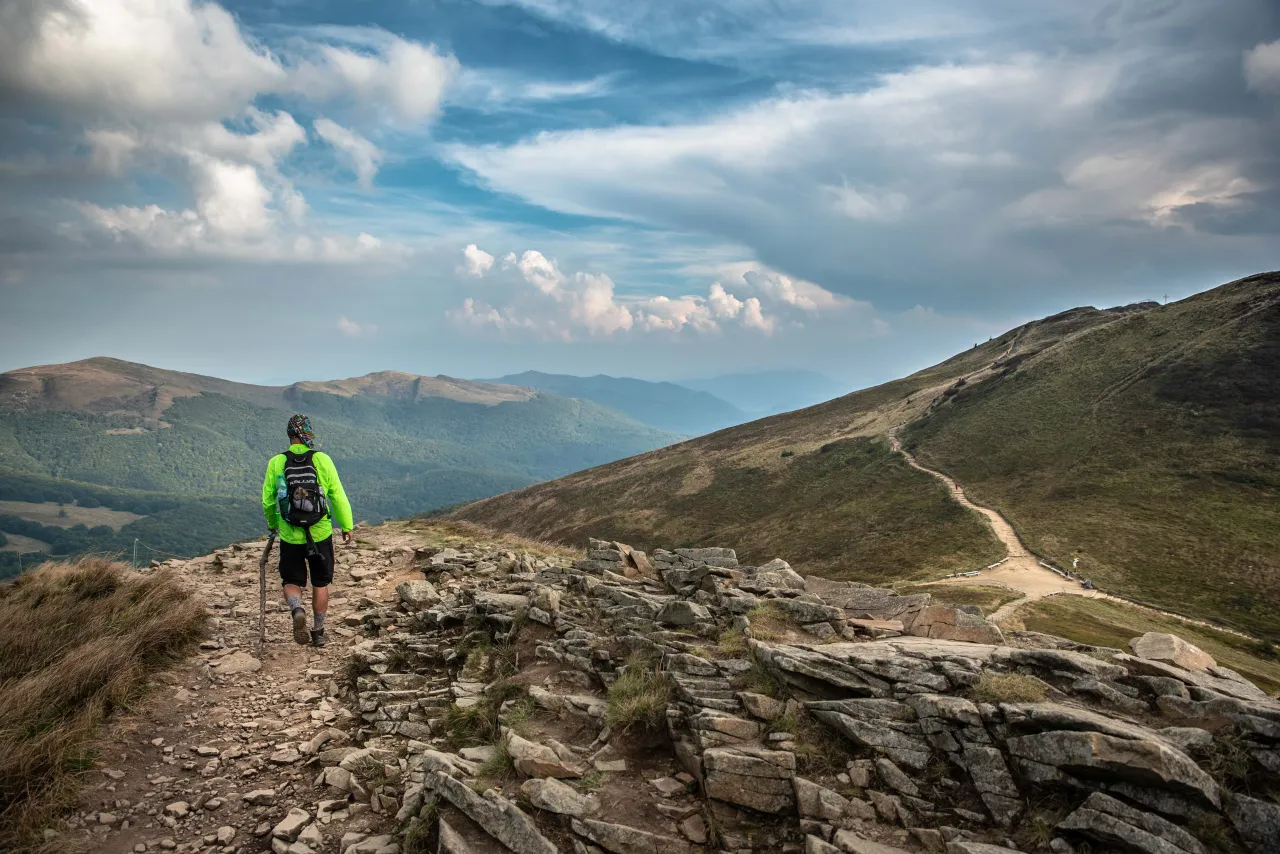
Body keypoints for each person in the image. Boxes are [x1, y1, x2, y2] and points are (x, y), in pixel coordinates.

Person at [262, 414, 354, 647]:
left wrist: (273, 523)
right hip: (320, 532)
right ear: (308, 435)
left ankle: (297, 610)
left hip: (290, 533)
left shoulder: (276, 462)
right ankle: (319, 632)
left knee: (291, 580)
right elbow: (337, 495)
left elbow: (268, 501)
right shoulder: (322, 459)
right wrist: (347, 525)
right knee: (320, 583)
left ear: (289, 435)